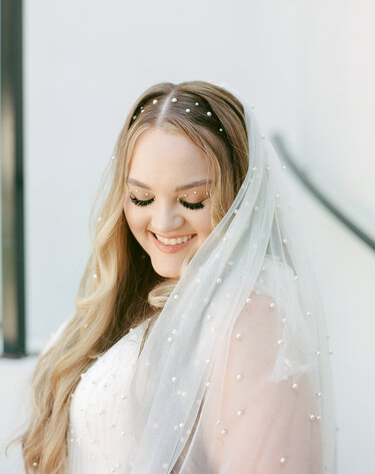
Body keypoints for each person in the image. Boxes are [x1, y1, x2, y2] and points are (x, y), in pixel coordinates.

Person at [20, 81, 336, 473]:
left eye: (193, 201)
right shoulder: (129, 298)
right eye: (141, 198)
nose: (164, 222)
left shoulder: (249, 316)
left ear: (237, 196)